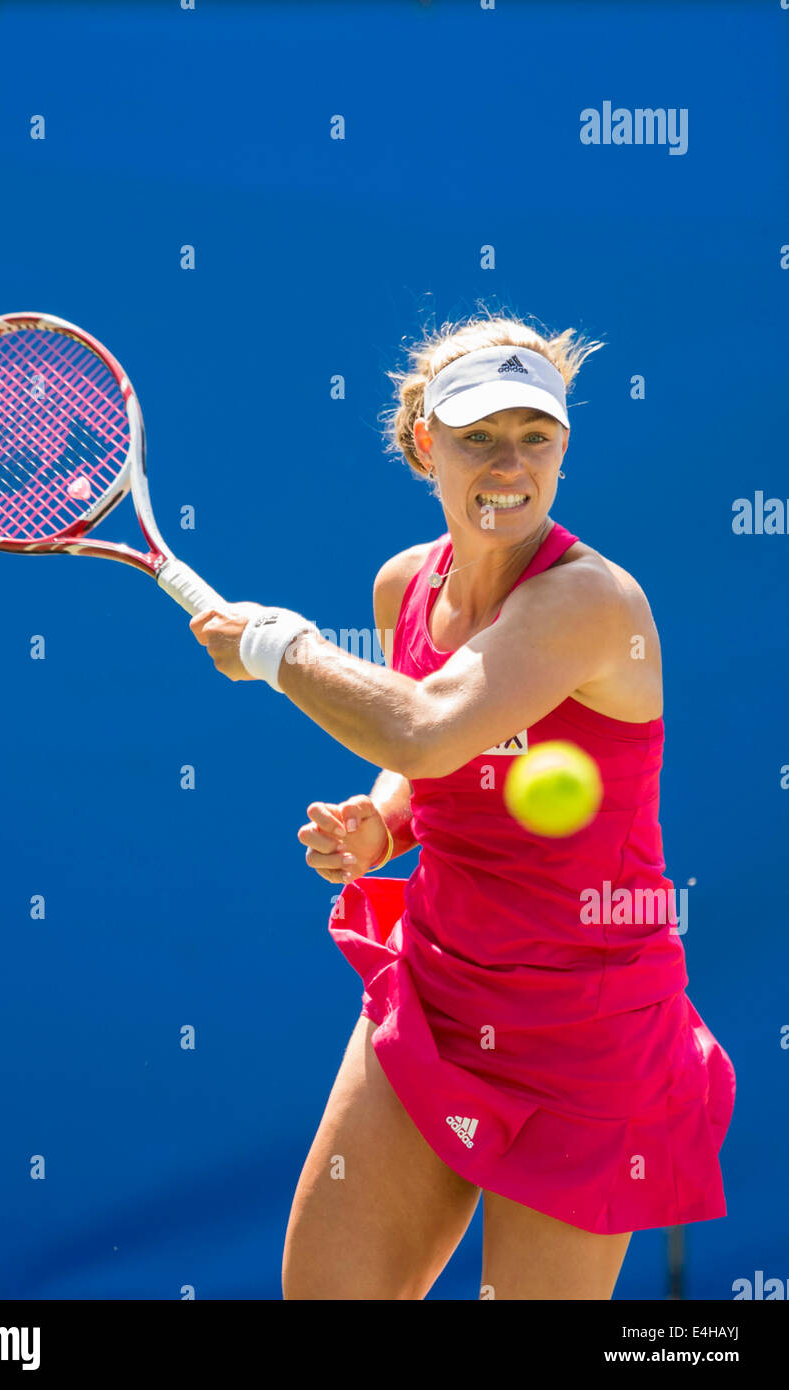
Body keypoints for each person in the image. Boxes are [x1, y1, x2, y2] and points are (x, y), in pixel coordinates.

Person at [188, 310, 736, 1301]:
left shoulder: (591, 602)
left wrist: (277, 649)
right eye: (478, 435)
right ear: (422, 444)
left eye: (536, 436)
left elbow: (428, 726)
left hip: (589, 1036)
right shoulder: (406, 583)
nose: (509, 463)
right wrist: (386, 820)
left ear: (564, 448)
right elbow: (427, 760)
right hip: (440, 993)